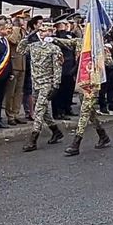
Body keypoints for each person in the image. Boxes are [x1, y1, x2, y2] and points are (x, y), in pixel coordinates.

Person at [22, 23, 66, 152]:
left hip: (47, 83)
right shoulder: (34, 46)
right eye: (40, 31)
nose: (42, 33)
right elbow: (20, 50)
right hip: (36, 82)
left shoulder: (54, 48)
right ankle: (56, 131)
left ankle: (33, 139)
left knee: (39, 110)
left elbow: (57, 68)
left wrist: (56, 85)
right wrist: (28, 36)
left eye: (45, 31)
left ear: (51, 32)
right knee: (44, 110)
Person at [4, 11, 29, 126]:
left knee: (19, 91)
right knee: (11, 92)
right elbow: (13, 41)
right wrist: (16, 28)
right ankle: (10, 115)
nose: (26, 21)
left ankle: (16, 113)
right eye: (23, 19)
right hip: (14, 64)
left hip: (22, 64)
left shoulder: (23, 32)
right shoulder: (13, 31)